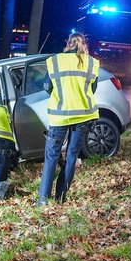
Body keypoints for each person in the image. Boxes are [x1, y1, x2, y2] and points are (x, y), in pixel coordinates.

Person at [36, 33, 99, 206]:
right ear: (83, 44)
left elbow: (47, 86)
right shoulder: (91, 62)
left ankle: (43, 199)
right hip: (83, 115)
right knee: (72, 155)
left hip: (60, 115)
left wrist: (60, 96)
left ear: (68, 44)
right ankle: (61, 197)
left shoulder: (55, 61)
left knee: (52, 156)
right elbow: (93, 88)